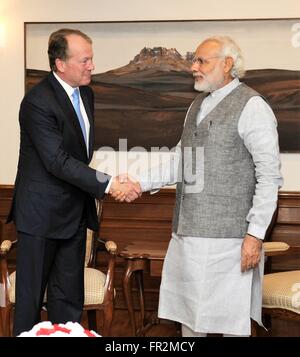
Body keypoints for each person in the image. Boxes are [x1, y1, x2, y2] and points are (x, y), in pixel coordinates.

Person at [114, 35, 283, 336]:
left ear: (228, 64)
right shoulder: (197, 105)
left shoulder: (252, 106)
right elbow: (181, 162)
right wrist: (138, 182)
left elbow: (269, 176)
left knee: (231, 324)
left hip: (229, 241)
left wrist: (255, 235)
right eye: (194, 60)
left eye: (201, 60)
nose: (193, 67)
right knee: (190, 321)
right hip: (187, 236)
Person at [7, 28, 140, 336]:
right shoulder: (37, 102)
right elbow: (57, 161)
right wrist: (108, 184)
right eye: (85, 60)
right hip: (40, 216)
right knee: (29, 305)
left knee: (68, 303)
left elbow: (78, 157)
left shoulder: (87, 94)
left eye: (91, 58)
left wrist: (110, 180)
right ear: (60, 64)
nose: (92, 66)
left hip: (74, 214)